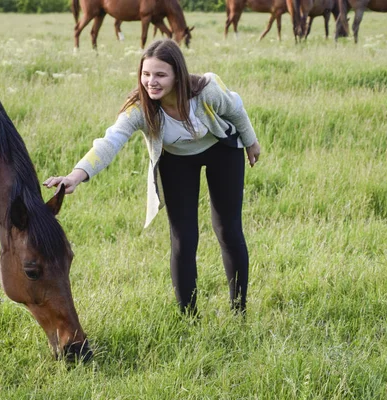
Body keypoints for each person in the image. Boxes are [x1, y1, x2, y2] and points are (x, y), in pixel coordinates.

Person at [43, 39, 261, 315]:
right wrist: (75, 176)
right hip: (176, 159)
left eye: (160, 75)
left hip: (220, 149)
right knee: (183, 238)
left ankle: (238, 309)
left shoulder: (205, 91)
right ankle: (189, 317)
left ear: (177, 75)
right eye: (146, 74)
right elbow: (110, 142)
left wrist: (251, 142)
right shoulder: (140, 108)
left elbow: (235, 109)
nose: (151, 82)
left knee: (228, 230)